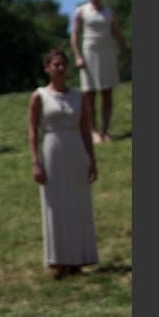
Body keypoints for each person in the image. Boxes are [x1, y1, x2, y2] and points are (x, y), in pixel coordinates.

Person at [28, 49, 99, 279]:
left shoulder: (78, 96)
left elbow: (86, 130)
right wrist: (36, 161)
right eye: (55, 65)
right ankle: (59, 260)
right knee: (56, 203)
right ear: (47, 68)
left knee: (77, 203)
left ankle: (78, 257)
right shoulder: (39, 96)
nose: (59, 69)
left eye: (62, 65)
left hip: (75, 150)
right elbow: (32, 131)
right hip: (52, 150)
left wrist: (91, 160)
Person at [70, 0, 129, 144]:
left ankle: (106, 131)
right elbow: (74, 35)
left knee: (107, 93)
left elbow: (118, 34)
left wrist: (125, 55)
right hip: (89, 52)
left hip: (107, 52)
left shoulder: (109, 12)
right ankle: (93, 131)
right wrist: (78, 56)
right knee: (89, 94)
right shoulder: (81, 11)